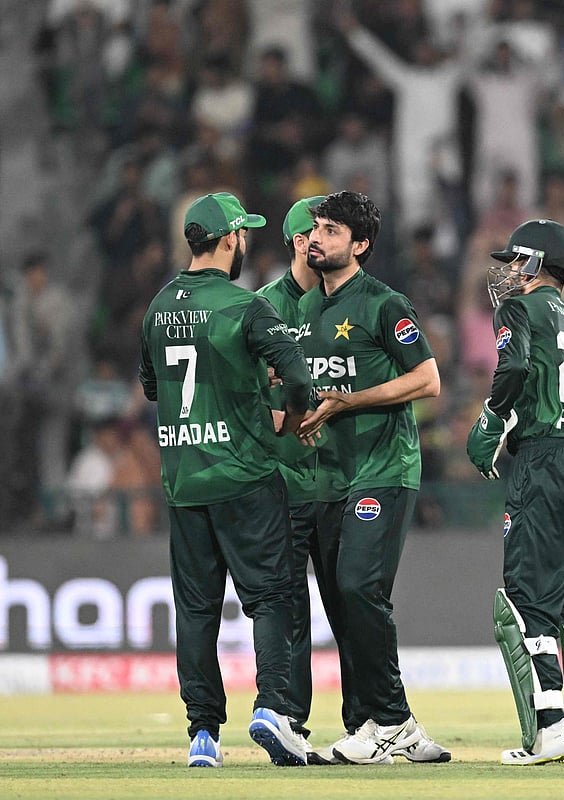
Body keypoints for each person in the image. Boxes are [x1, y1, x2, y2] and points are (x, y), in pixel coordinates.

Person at [139, 192, 313, 768]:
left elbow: (151, 387)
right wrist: (291, 415)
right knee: (271, 598)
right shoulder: (245, 307)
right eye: (245, 236)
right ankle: (273, 710)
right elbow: (296, 371)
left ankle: (203, 735)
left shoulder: (157, 309)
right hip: (244, 476)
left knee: (195, 610)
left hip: (184, 481)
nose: (247, 245)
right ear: (231, 239)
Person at [293, 190, 450, 765]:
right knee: (344, 603)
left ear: (359, 245)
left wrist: (348, 403)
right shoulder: (307, 311)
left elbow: (428, 380)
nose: (316, 238)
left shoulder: (385, 304)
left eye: (331, 230)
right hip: (329, 478)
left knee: (359, 587)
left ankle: (395, 721)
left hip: (384, 469)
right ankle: (368, 725)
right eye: (315, 228)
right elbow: (313, 394)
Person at [467, 218, 564, 765]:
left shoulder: (520, 309)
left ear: (534, 264)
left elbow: (512, 365)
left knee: (528, 596)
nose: (507, 270)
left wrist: (491, 423)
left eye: (515, 260)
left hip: (548, 459)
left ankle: (553, 727)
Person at [256, 195, 351, 764]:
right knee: (290, 611)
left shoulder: (350, 301)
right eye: (316, 233)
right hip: (287, 485)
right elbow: (254, 409)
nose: (325, 241)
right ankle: (289, 724)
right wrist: (300, 417)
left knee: (352, 607)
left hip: (343, 481)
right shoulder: (263, 309)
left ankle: (368, 723)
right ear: (299, 242)